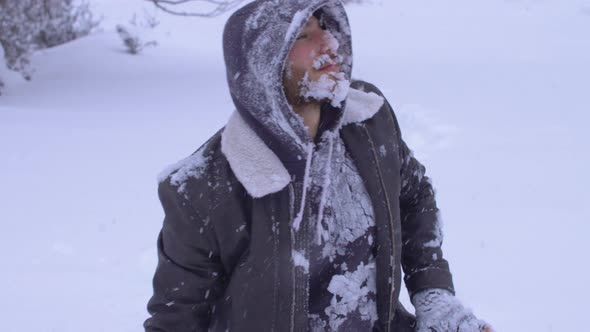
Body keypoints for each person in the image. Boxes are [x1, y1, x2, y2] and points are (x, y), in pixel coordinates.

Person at [144, 0, 493, 331]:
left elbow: (414, 197)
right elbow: (177, 319)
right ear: (264, 60)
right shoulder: (203, 187)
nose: (329, 42)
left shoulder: (369, 123)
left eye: (326, 28)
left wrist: (434, 297)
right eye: (303, 35)